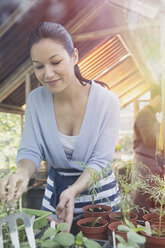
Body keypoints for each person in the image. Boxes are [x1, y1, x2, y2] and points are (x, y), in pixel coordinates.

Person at [0, 22, 120, 231]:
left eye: (55, 62)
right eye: (39, 66)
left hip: (100, 201)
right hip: (57, 199)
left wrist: (73, 191)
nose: (47, 73)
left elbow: (100, 161)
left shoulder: (107, 101)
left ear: (74, 56)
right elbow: (31, 150)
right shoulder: (36, 100)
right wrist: (21, 174)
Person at [132, 84, 162, 218]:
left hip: (149, 164)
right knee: (141, 203)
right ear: (158, 98)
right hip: (143, 166)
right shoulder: (144, 114)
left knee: (148, 203)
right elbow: (150, 139)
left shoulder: (151, 115)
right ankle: (137, 234)